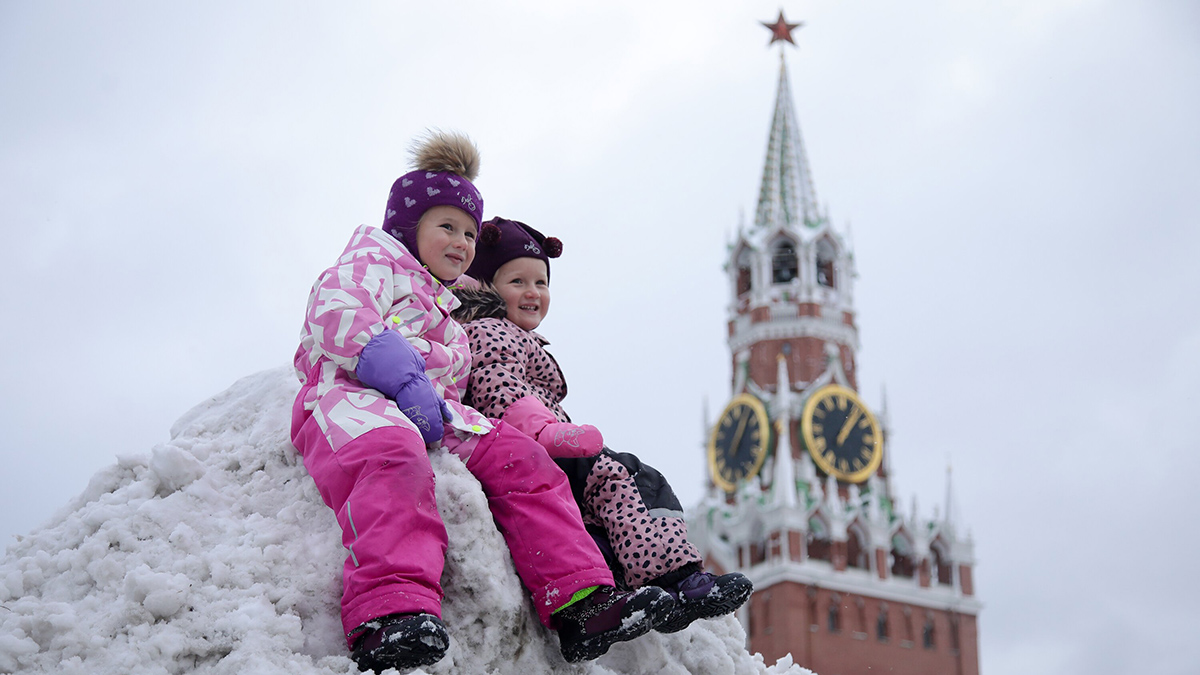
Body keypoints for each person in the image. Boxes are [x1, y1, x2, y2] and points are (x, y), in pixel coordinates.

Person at [290, 133, 673, 672]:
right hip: (352, 397)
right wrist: (398, 371)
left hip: (432, 413)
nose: (462, 241)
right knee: (392, 461)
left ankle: (579, 598)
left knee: (522, 460)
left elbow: (457, 373)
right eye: (446, 226)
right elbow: (336, 310)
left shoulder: (449, 309)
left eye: (470, 232)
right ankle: (390, 610)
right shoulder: (375, 260)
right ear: (408, 227)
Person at [454, 216, 753, 635]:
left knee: (602, 505)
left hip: (540, 444)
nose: (532, 293)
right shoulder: (489, 331)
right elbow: (496, 387)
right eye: (517, 281)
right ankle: (674, 577)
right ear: (485, 286)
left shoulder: (512, 334)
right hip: (529, 446)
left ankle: (645, 587)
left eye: (541, 283)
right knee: (624, 475)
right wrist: (549, 434)